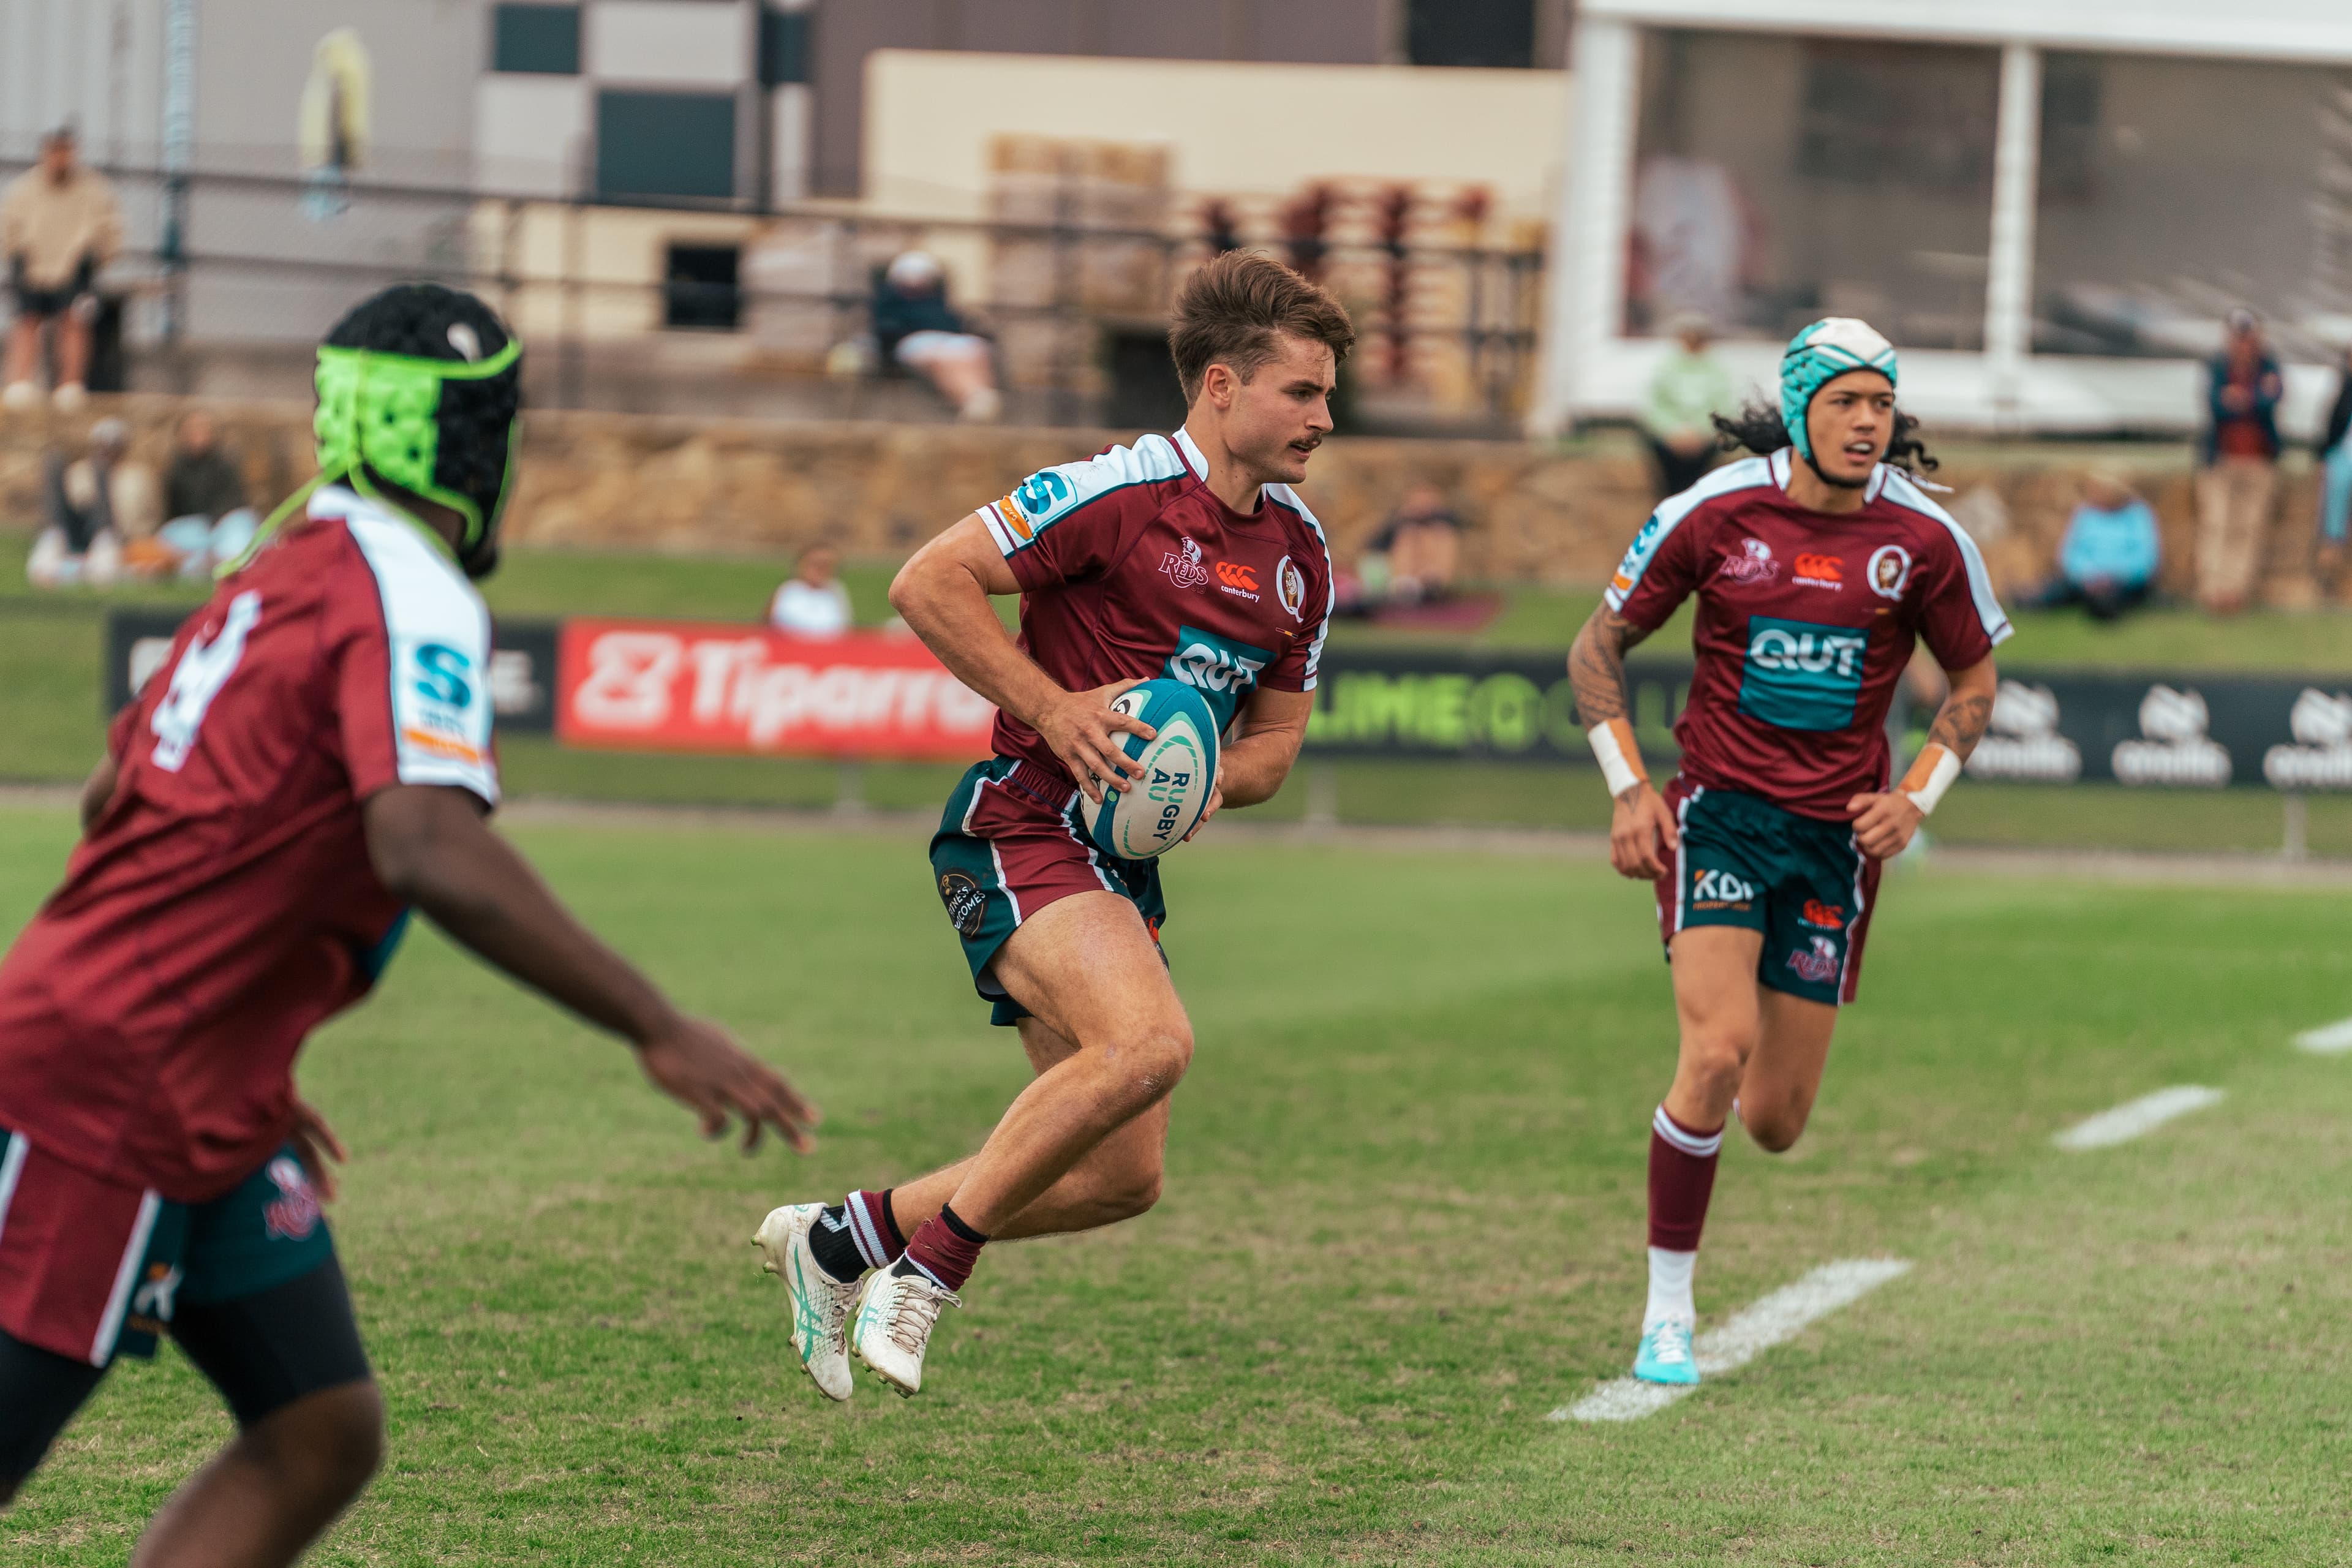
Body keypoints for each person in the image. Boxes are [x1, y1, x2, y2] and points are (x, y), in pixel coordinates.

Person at [0, 284, 818, 1555]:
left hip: (193, 1077)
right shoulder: (401, 580)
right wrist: (657, 1023)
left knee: (322, 1426)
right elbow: (424, 841)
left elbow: (119, 789)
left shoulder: (283, 560)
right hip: (113, 1085)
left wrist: (239, 1034)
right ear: (472, 440)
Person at [754, 252, 1348, 1401]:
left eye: (1329, 394)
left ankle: (843, 1243)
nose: (1325, 417)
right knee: (1155, 1044)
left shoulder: (1301, 558)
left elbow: (1278, 748)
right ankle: (929, 1274)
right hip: (1020, 826)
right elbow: (929, 582)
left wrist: (1209, 775)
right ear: (1220, 386)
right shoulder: (1114, 496)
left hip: (1121, 869)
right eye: (1303, 391)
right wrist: (1055, 709)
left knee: (1122, 1178)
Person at [1568, 318, 2008, 1389]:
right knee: (1716, 1051)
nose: (1869, 423)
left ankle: (1719, 1137)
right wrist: (1630, 788)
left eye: (1882, 403)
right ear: (1803, 406)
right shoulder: (1713, 513)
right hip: (1719, 815)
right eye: (1847, 402)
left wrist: (1918, 798)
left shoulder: (1925, 541)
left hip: (1835, 842)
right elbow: (1597, 647)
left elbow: (1976, 683)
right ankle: (1667, 1312)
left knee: (1774, 1120)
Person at [1, 128, 123, 413]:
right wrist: (18, 253)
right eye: (55, 151)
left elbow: (111, 228)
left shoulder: (94, 189)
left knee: (75, 323)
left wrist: (95, 256)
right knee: (25, 322)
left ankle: (70, 385)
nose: (60, 158)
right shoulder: (24, 189)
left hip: (74, 268)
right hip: (32, 267)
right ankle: (19, 383)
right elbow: (8, 226)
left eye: (66, 151)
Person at [2193, 308, 2284, 616]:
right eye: (2238, 337)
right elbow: (2217, 405)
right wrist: (2253, 398)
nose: (2244, 343)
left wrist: (2243, 398)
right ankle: (2213, 588)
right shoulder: (2218, 365)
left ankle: (2236, 589)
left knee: (2248, 527)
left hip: (2258, 458)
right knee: (2217, 523)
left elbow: (2271, 400)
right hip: (2221, 458)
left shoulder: (2269, 365)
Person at [873, 251, 1001, 423]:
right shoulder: (890, 305)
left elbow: (956, 324)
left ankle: (981, 397)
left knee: (974, 349)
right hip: (916, 343)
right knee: (943, 359)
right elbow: (886, 330)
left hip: (948, 340)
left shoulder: (940, 303)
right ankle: (972, 399)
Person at [26, 417, 156, 587]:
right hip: (78, 532)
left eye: (113, 445)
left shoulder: (139, 477)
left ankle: (98, 542)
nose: (108, 451)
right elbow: (71, 509)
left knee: (104, 530)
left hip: (118, 538)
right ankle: (53, 539)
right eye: (103, 445)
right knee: (54, 467)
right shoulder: (79, 472)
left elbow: (149, 521)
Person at [2030, 470, 2160, 621]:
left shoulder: (2138, 515)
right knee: (2057, 591)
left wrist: (2114, 577)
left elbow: (2145, 558)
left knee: (2118, 597)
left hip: (2124, 584)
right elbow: (2070, 554)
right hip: (2085, 583)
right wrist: (2088, 576)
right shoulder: (2086, 514)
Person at [1639, 314, 1736, 502]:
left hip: (1704, 442)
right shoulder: (1667, 366)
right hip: (1669, 440)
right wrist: (1673, 431)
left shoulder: (1717, 369)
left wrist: (1701, 432)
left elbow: (1724, 406)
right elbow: (1654, 406)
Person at [158, 409, 261, 581]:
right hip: (196, 530)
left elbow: (234, 502)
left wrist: (215, 523)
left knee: (240, 527)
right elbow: (173, 511)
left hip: (224, 525)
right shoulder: (176, 469)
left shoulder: (225, 463)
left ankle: (222, 562)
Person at [1355, 483, 1463, 608]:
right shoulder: (1400, 522)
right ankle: (1408, 583)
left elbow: (1452, 522)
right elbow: (1374, 546)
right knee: (1410, 534)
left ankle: (1430, 581)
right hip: (1385, 570)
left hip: (1418, 570)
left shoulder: (1442, 524)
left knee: (1439, 533)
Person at [2317, 344, 2352, 597]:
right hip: (2342, 458)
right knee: (2334, 521)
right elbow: (2331, 425)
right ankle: (2329, 578)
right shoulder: (2341, 389)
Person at [768, 543, 853, 638]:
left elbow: (845, 630)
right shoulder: (788, 590)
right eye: (816, 565)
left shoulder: (836, 591)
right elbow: (768, 626)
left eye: (827, 566)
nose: (821, 570)